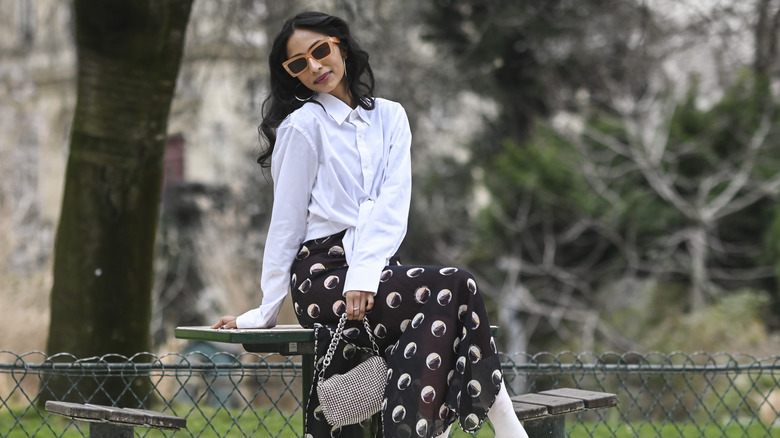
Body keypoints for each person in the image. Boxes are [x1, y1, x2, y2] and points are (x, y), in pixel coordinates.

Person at [212, 11, 528, 438]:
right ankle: (502, 430)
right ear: (291, 74)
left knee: (455, 292)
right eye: (299, 63)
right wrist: (264, 312)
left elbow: (394, 204)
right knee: (456, 286)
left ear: (339, 45)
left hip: (377, 271)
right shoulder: (302, 127)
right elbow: (285, 226)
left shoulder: (391, 117)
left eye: (320, 51)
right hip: (322, 276)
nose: (315, 67)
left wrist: (364, 275)